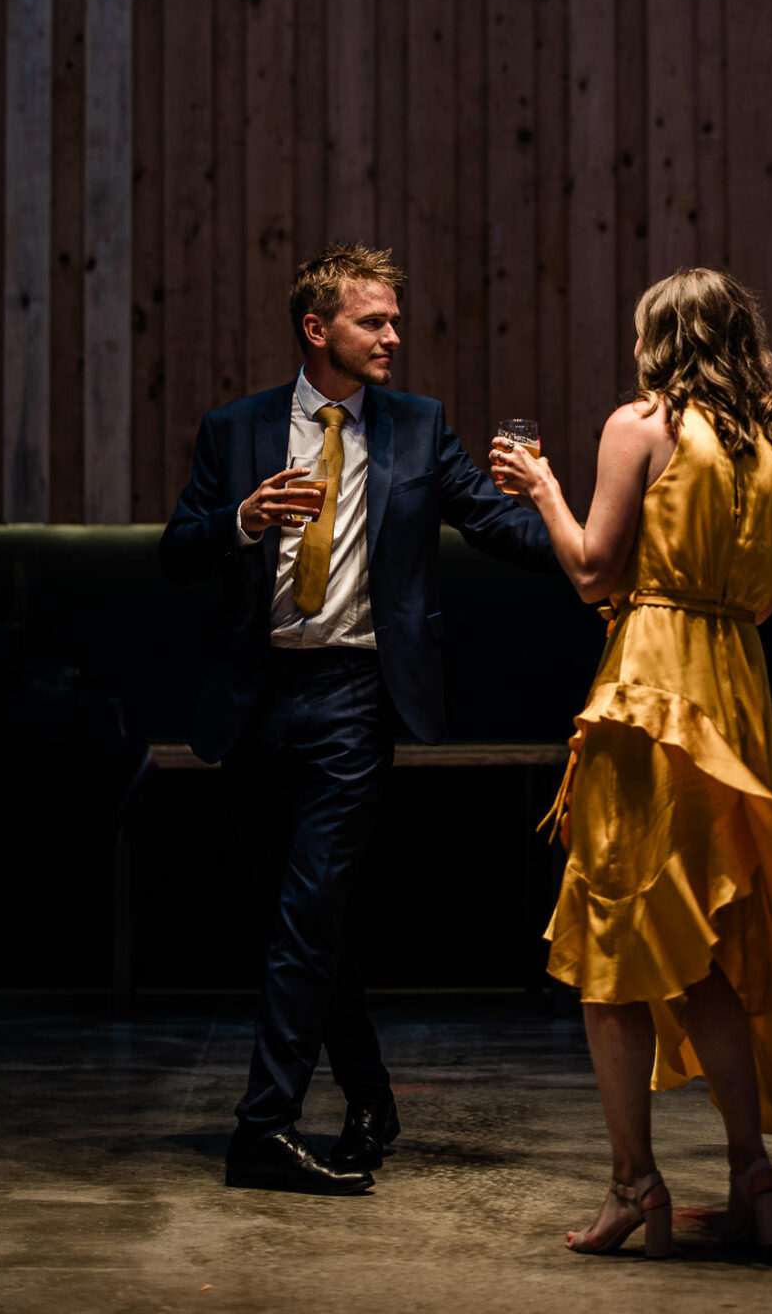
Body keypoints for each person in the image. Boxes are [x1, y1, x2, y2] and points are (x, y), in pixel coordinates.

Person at [160, 241, 555, 1195]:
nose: (391, 336)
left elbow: (493, 522)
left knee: (305, 914)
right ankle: (371, 1097)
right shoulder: (237, 428)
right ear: (317, 329)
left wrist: (598, 543)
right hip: (257, 702)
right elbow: (178, 550)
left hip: (354, 700)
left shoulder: (418, 428)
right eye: (371, 321)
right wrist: (242, 522)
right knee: (305, 923)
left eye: (391, 319)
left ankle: (262, 1130)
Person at [491, 266, 772, 1258]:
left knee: (615, 941)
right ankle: (752, 1173)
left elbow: (594, 567)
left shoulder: (636, 427)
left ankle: (633, 1184)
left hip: (650, 691)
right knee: (707, 943)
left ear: (658, 338)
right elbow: (767, 600)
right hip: (734, 687)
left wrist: (542, 487)